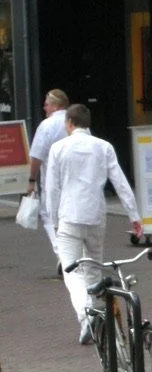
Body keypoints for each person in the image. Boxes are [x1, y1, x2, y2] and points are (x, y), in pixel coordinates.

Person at [43, 104, 143, 343]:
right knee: (93, 269)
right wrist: (134, 215)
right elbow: (119, 181)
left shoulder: (58, 148)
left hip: (69, 214)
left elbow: (52, 188)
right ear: (87, 124)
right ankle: (95, 320)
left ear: (69, 123)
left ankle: (86, 315)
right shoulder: (103, 147)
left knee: (71, 270)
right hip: (96, 215)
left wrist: (52, 218)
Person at [26, 89, 70, 274]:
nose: (44, 107)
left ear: (56, 105)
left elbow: (36, 156)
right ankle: (76, 255)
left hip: (52, 178)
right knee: (71, 215)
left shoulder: (47, 125)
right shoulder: (75, 121)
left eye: (47, 104)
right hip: (75, 177)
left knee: (50, 216)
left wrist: (31, 180)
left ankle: (63, 255)